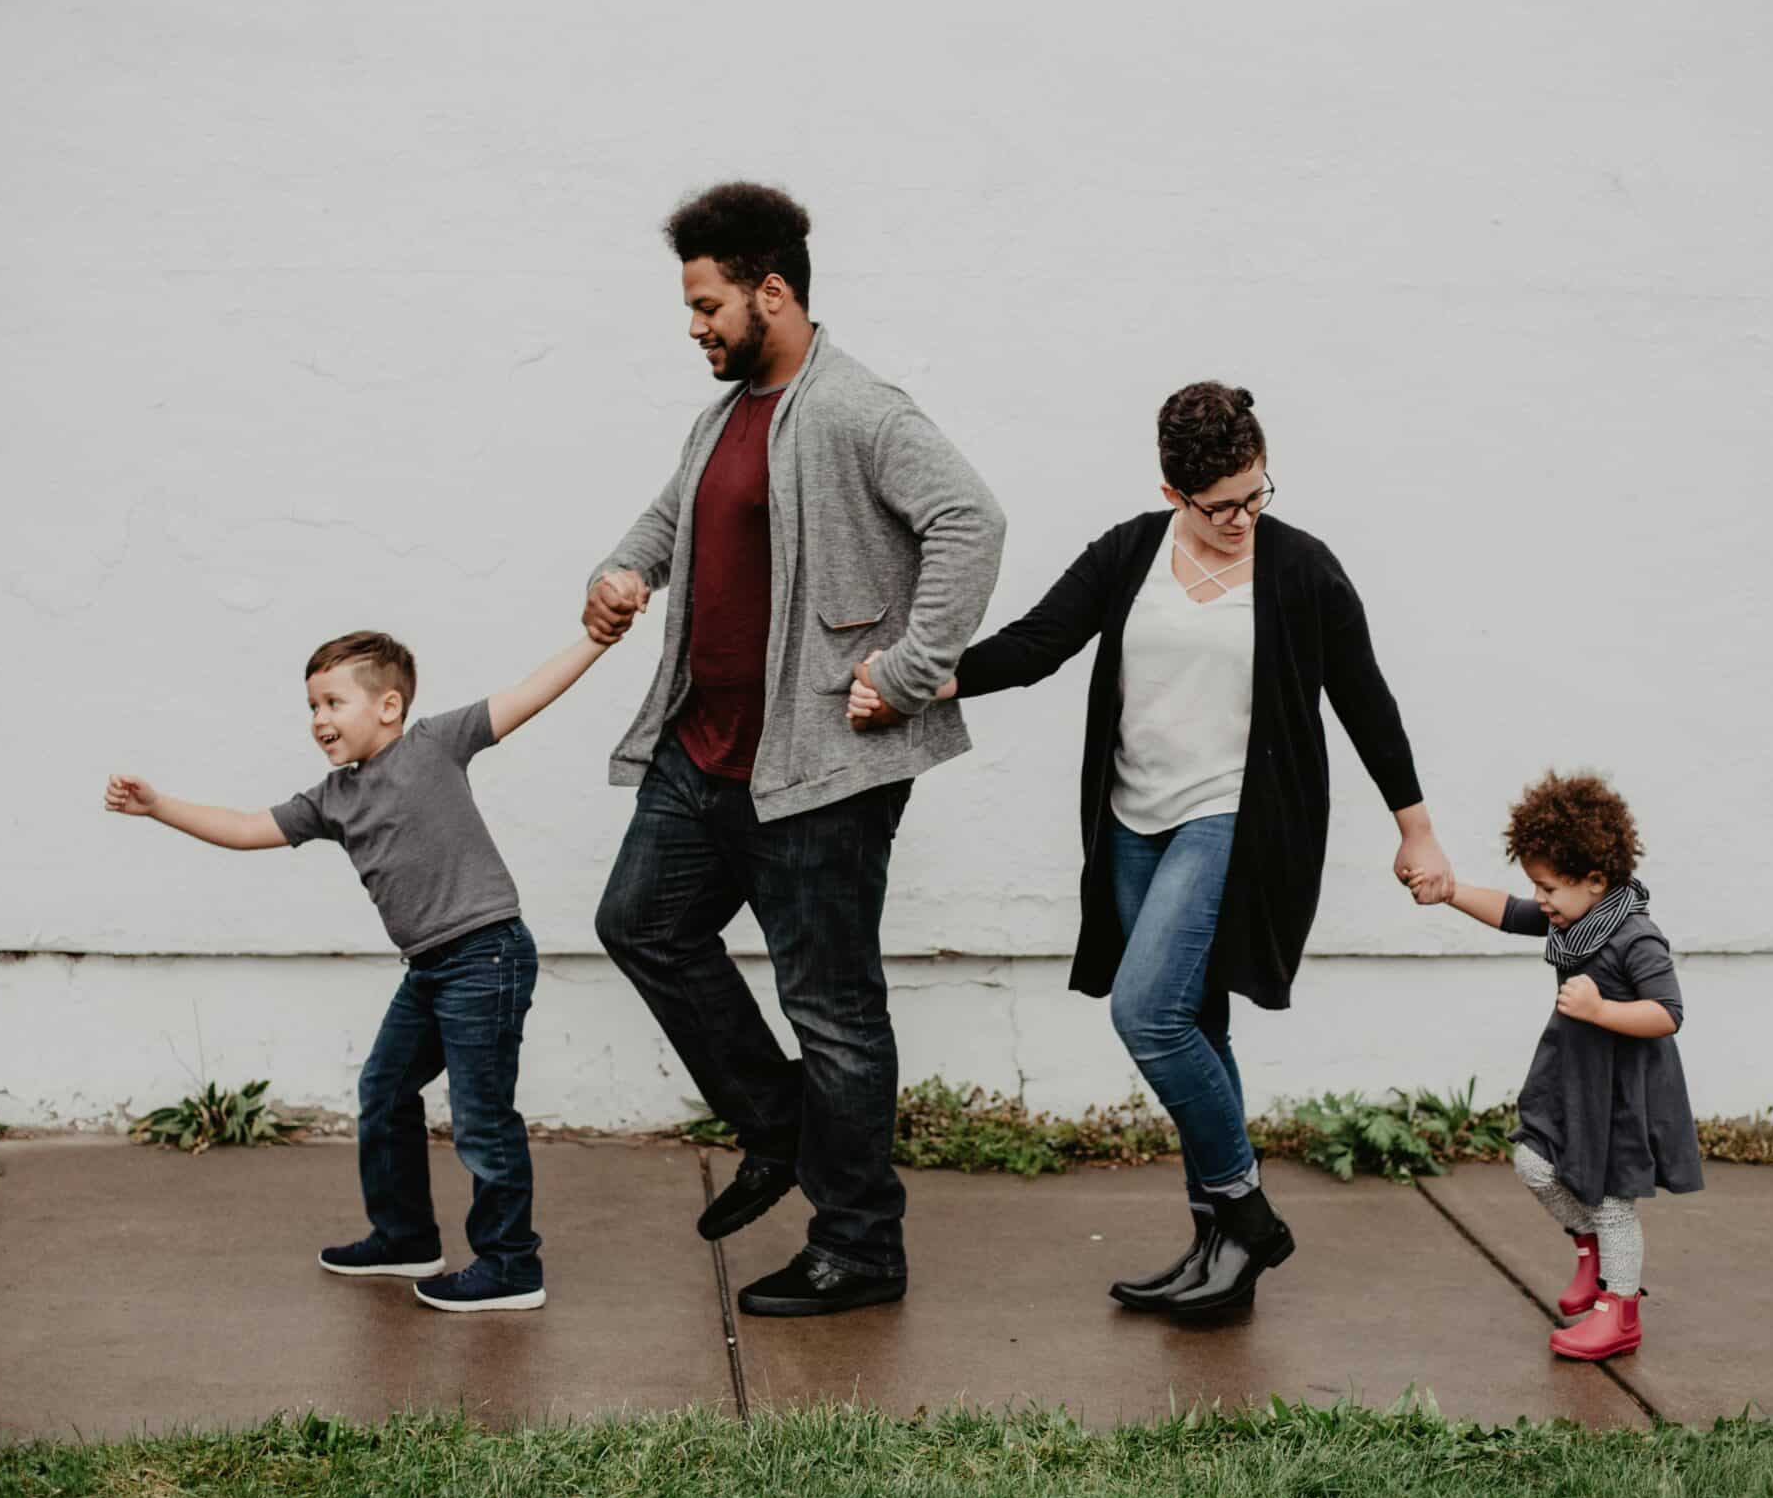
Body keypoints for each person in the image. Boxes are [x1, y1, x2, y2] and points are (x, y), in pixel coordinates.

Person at [848, 382, 1451, 1314]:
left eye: (1257, 495)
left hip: (1231, 820)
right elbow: (1038, 644)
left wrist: (1416, 829)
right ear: (1174, 493)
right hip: (1132, 822)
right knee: (1197, 1025)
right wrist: (917, 683)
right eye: (1220, 506)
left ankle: (1246, 1214)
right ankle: (1219, 1252)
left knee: (1148, 1015)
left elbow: (1365, 700)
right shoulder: (1133, 551)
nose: (1243, 518)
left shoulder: (1302, 570)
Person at [586, 182, 1004, 1318]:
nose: (695, 325)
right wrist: (623, 571)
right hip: (703, 750)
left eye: (708, 302)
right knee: (640, 923)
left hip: (815, 767)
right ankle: (778, 1128)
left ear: (772, 291)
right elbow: (673, 516)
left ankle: (860, 1242)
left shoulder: (858, 409)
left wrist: (909, 669)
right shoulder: (723, 415)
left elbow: (972, 520)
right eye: (690, 304)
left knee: (832, 1005)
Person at [104, 627, 610, 1312]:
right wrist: (158, 806)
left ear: (389, 706)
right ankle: (405, 1236)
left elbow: (527, 694)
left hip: (486, 956)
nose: (318, 720)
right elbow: (250, 826)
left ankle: (512, 1263)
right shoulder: (333, 798)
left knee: (482, 1117)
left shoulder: (436, 743)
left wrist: (596, 639)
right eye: (311, 706)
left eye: (333, 702)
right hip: (429, 969)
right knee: (385, 1087)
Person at [1419, 770, 1701, 1360]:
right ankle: (1589, 1250)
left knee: (1609, 1198)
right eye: (1536, 886)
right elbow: (1508, 911)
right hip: (1572, 1076)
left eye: (1549, 887)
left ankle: (1619, 1311)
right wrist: (1450, 891)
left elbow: (1668, 1013)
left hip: (1621, 1088)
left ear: (1596, 881)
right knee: (1532, 1160)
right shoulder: (1569, 922)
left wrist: (1601, 1010)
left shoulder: (1634, 937)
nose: (1540, 900)